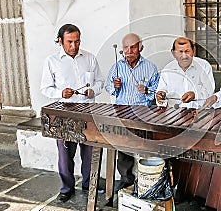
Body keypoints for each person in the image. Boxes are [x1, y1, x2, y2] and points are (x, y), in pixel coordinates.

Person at [40, 24, 105, 202]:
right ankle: (67, 188)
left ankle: (89, 184)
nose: (74, 46)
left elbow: (100, 82)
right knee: (65, 155)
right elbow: (45, 88)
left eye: (77, 41)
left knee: (90, 152)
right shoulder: (51, 61)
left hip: (88, 111)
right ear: (60, 41)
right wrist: (60, 93)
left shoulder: (90, 58)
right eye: (69, 42)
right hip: (64, 114)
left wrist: (93, 91)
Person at [105, 33, 159, 192]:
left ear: (140, 48)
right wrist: (114, 87)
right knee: (123, 149)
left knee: (145, 148)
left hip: (144, 114)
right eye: (126, 47)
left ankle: (145, 180)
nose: (129, 50)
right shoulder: (116, 67)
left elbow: (158, 92)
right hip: (122, 113)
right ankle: (126, 178)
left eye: (133, 47)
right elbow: (109, 89)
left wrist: (147, 90)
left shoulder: (150, 67)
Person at [156, 37, 215, 109]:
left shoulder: (204, 66)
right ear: (173, 53)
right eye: (180, 52)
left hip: (199, 112)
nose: (184, 56)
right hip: (174, 113)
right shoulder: (167, 69)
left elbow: (210, 92)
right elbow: (161, 92)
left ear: (193, 51)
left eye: (187, 51)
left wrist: (195, 95)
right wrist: (161, 96)